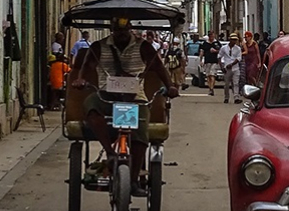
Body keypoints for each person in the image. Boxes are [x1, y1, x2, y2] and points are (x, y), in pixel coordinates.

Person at [71, 17, 177, 197]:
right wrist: (81, 79)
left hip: (135, 97)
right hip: (105, 96)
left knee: (140, 131)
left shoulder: (143, 46)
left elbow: (158, 66)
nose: (121, 34)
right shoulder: (98, 46)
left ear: (129, 29)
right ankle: (111, 152)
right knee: (90, 105)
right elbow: (87, 66)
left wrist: (170, 86)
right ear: (112, 30)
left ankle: (134, 179)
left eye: (124, 31)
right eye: (117, 31)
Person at [220, 33, 243, 104]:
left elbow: (239, 58)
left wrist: (232, 64)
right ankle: (226, 97)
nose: (234, 41)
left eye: (235, 40)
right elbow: (219, 56)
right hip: (227, 68)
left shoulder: (238, 49)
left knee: (236, 83)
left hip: (235, 68)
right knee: (227, 84)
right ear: (230, 40)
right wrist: (222, 67)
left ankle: (236, 98)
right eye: (233, 40)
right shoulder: (224, 48)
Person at [199, 31, 220, 96]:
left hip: (214, 61)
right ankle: (210, 88)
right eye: (210, 36)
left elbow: (221, 51)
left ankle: (212, 88)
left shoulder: (217, 43)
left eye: (212, 36)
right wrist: (201, 60)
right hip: (207, 61)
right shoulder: (205, 44)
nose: (212, 37)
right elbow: (202, 52)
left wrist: (215, 51)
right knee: (208, 75)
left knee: (212, 75)